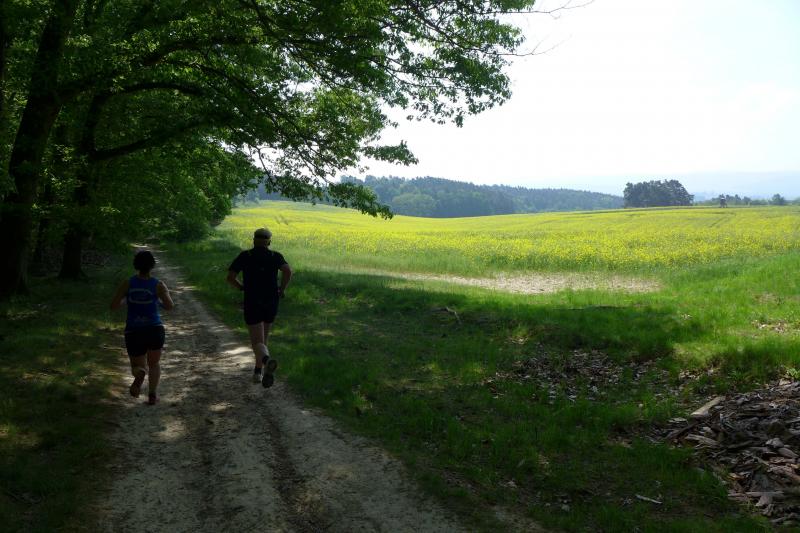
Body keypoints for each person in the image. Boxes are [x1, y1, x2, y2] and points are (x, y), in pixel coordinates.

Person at [227, 227, 292, 387]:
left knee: (257, 342)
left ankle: (266, 361)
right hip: (271, 301)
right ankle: (258, 372)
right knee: (263, 339)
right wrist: (282, 289)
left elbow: (230, 277)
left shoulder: (245, 256)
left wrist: (242, 287)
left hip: (253, 300)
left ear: (254, 240)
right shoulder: (275, 256)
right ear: (269, 242)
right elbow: (287, 271)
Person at [110, 250, 174, 405]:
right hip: (154, 329)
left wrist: (127, 299)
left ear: (136, 265)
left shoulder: (128, 283)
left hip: (134, 331)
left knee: (137, 365)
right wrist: (157, 301)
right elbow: (169, 306)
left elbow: (114, 306)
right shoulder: (158, 284)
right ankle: (152, 395)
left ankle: (140, 373)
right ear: (152, 265)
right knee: (154, 364)